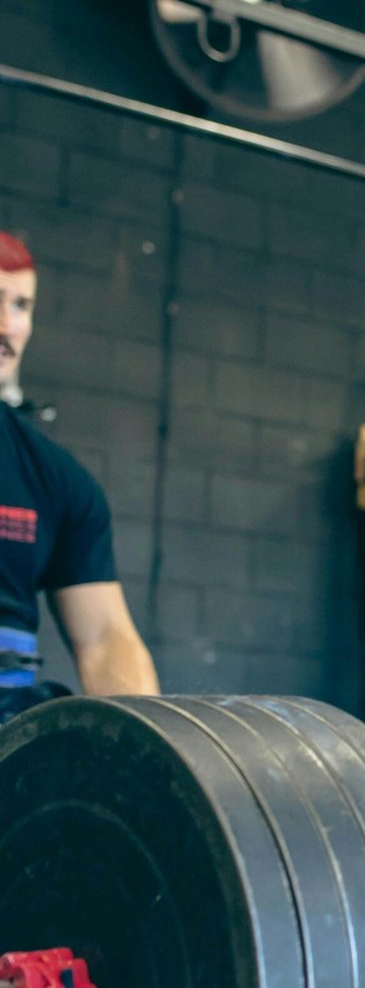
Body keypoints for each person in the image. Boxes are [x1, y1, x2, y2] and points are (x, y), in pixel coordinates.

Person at [0, 231, 159, 720]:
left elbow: (104, 640)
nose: (7, 325)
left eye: (22, 304)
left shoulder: (59, 483)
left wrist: (151, 761)